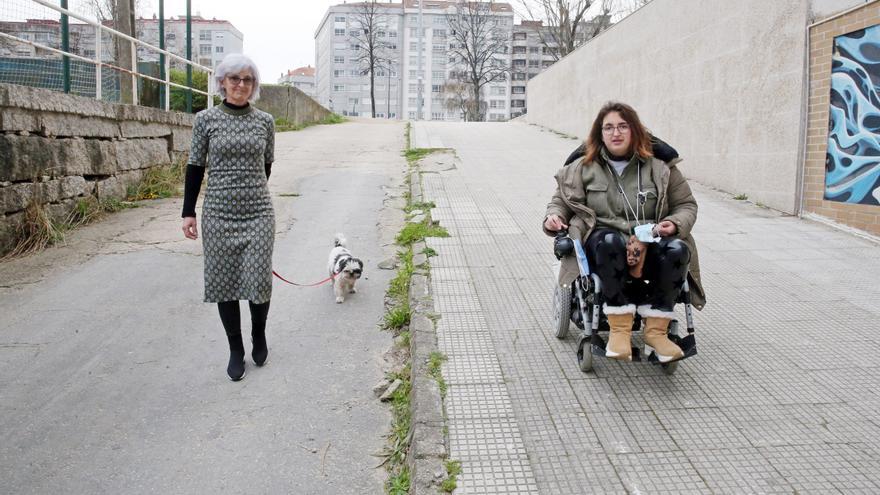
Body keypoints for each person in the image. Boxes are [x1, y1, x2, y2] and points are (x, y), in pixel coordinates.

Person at [543, 101, 705, 363]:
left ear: (635, 131)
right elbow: (560, 201)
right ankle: (619, 330)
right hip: (603, 246)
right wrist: (554, 217)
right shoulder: (582, 168)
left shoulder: (661, 168)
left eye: (622, 126)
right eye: (608, 127)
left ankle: (657, 332)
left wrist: (674, 224)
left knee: (678, 248)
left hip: (650, 242)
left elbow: (686, 205)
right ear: (600, 133)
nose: (615, 133)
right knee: (608, 242)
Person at [181, 53, 276, 381]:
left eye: (247, 79)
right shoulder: (205, 120)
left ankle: (258, 334)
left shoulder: (265, 121)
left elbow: (267, 164)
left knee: (258, 279)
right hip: (218, 213)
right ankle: (235, 348)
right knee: (225, 283)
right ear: (222, 82)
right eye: (234, 78)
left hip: (259, 212)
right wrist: (188, 212)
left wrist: (250, 190)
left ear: (254, 85)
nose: (240, 85)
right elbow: (195, 166)